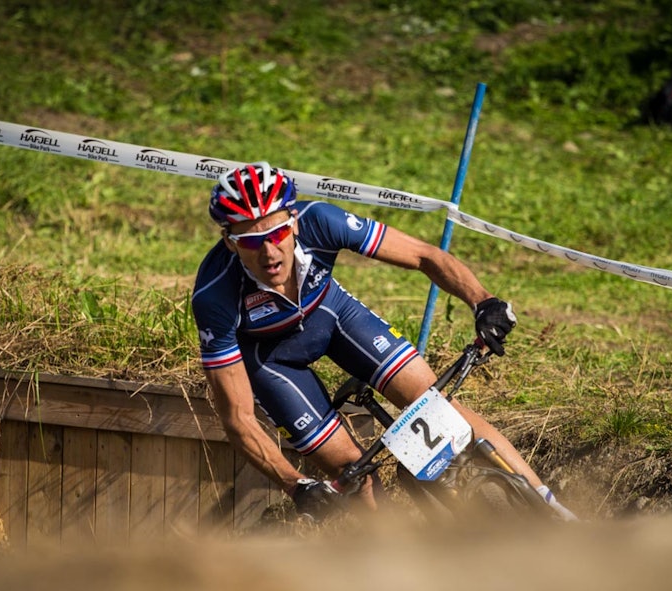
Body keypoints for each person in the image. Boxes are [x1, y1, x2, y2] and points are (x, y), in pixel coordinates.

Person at [191, 162, 571, 520]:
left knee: (441, 411)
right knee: (352, 472)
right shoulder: (214, 296)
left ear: (293, 222)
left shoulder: (321, 221)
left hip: (332, 315)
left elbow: (424, 256)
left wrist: (482, 301)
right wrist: (297, 486)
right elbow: (237, 419)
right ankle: (399, 559)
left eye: (276, 234)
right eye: (252, 241)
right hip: (272, 359)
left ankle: (558, 516)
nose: (269, 252)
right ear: (229, 241)